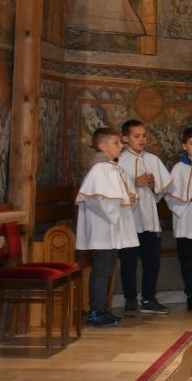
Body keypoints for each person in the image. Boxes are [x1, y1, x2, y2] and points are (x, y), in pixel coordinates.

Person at [76, 127, 138, 328]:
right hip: (102, 230)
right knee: (101, 271)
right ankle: (96, 312)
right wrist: (124, 199)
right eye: (116, 143)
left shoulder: (113, 168)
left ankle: (101, 309)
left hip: (111, 231)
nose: (121, 146)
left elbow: (123, 195)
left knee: (106, 270)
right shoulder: (99, 170)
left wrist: (130, 198)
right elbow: (97, 200)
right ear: (103, 146)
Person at [117, 120, 170, 316]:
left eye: (144, 136)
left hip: (149, 219)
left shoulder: (152, 160)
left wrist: (155, 185)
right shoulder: (119, 161)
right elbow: (114, 190)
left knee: (152, 261)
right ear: (125, 138)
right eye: (136, 136)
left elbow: (162, 191)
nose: (142, 140)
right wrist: (134, 182)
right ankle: (130, 300)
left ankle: (149, 299)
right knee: (128, 262)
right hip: (129, 221)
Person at [163, 126, 192, 312]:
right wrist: (186, 200)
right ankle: (190, 294)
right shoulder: (179, 168)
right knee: (187, 261)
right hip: (185, 219)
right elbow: (170, 196)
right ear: (185, 146)